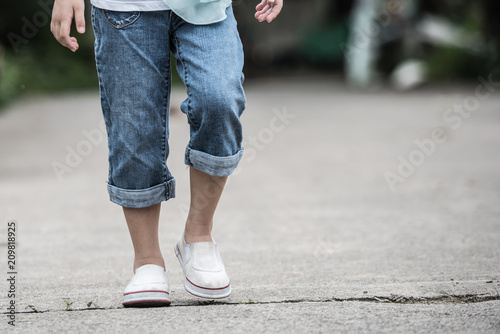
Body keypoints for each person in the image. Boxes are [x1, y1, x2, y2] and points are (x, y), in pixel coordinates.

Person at [50, 0, 283, 307]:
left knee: (220, 101)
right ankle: (147, 260)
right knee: (134, 128)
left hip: (206, 5)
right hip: (125, 7)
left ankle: (198, 237)